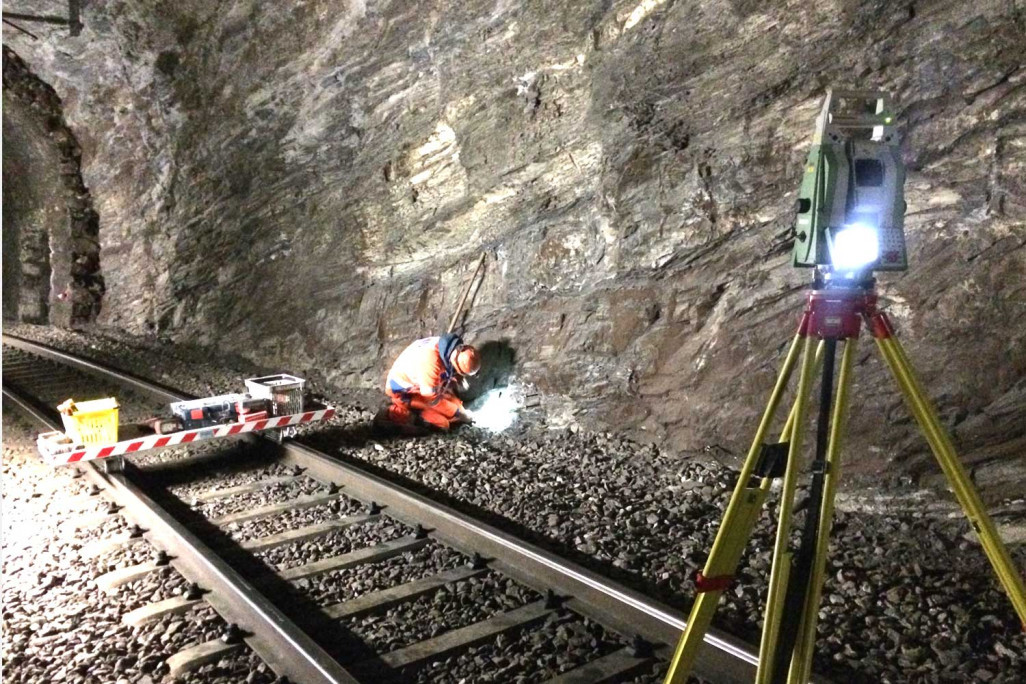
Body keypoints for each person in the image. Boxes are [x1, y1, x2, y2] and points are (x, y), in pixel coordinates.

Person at [379, 333, 481, 431]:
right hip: (404, 391)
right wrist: (459, 414)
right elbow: (431, 398)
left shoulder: (447, 348)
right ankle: (395, 413)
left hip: (421, 384)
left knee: (456, 404)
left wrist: (458, 410)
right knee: (442, 423)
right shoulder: (430, 361)